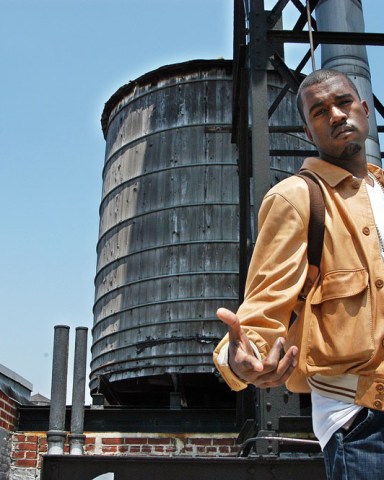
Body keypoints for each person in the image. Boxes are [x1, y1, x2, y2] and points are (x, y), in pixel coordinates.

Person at [213, 69, 384, 480]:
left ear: (364, 111)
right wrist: (240, 360)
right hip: (363, 421)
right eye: (320, 111)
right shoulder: (297, 197)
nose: (337, 115)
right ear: (310, 133)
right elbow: (261, 310)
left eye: (343, 103)